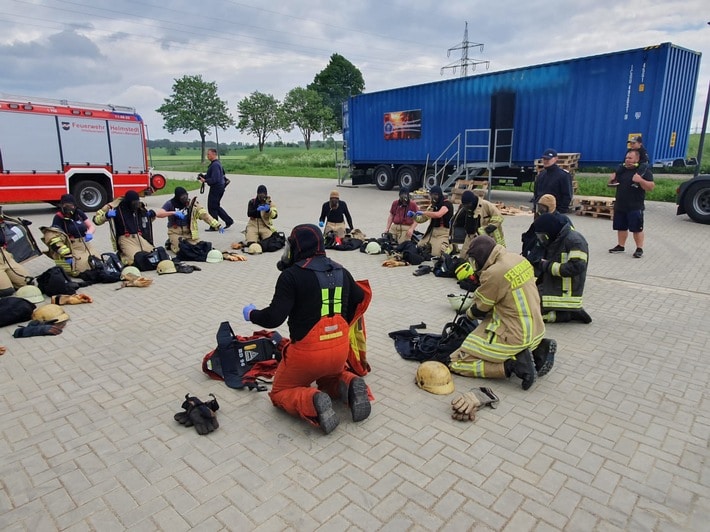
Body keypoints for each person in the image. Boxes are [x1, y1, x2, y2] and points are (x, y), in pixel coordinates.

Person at [242, 224, 372, 434]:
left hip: (306, 355)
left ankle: (312, 400)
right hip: (339, 351)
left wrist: (252, 314)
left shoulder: (291, 276)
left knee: (279, 392)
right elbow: (359, 299)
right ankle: (349, 383)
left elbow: (274, 317)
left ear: (298, 246)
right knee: (329, 379)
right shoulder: (342, 270)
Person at [448, 235, 556, 389]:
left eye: (473, 262)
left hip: (515, 335)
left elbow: (479, 309)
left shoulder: (494, 273)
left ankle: (512, 365)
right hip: (536, 329)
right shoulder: (518, 259)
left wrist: (467, 315)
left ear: (481, 258)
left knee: (457, 361)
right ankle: (537, 350)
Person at [532, 213, 591, 324]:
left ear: (551, 229)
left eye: (543, 235)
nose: (542, 239)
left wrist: (547, 266)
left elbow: (576, 266)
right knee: (527, 305)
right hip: (553, 287)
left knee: (532, 315)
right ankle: (568, 313)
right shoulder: (558, 238)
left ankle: (568, 314)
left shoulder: (575, 241)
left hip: (564, 295)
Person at [608, 149, 655, 258]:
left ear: (637, 159)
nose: (627, 160)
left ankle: (639, 248)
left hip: (635, 206)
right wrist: (611, 180)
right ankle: (621, 246)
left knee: (637, 228)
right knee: (621, 227)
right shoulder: (622, 170)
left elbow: (651, 187)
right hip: (621, 204)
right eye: (626, 158)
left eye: (630, 158)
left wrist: (640, 180)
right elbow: (612, 185)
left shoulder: (643, 171)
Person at [40, 194, 98, 275]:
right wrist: (65, 253)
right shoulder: (59, 217)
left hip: (85, 244)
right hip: (72, 245)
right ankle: (66, 265)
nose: (68, 208)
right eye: (65, 205)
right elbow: (53, 235)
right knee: (81, 270)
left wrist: (89, 233)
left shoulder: (79, 213)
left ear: (74, 205)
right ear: (61, 205)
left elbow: (91, 226)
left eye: (71, 205)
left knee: (97, 263)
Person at [94, 190, 156, 265]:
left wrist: (151, 216)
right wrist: (106, 215)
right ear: (128, 202)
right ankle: (122, 256)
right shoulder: (114, 207)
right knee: (135, 260)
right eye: (134, 203)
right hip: (125, 238)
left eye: (137, 202)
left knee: (154, 256)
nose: (136, 205)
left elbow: (145, 223)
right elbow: (96, 220)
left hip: (139, 237)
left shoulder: (139, 208)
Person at [156, 187, 222, 253]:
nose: (185, 198)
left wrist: (217, 225)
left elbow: (204, 214)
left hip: (188, 233)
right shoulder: (170, 204)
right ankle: (171, 244)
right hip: (175, 232)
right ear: (177, 197)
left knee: (198, 248)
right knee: (181, 250)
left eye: (186, 195)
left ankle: (178, 241)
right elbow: (159, 214)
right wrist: (173, 212)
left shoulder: (192, 204)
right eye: (182, 197)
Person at [521, 194, 572, 265]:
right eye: (539, 207)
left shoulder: (561, 221)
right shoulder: (540, 220)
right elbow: (530, 236)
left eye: (543, 208)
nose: (540, 211)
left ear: (550, 208)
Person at [450, 190, 505, 254]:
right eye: (465, 205)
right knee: (464, 256)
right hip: (471, 236)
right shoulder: (464, 208)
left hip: (489, 237)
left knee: (491, 255)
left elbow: (499, 216)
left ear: (472, 202)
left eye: (468, 205)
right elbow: (455, 221)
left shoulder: (485, 205)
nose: (467, 207)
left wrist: (490, 227)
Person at [198, 148, 233, 230]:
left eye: (209, 154)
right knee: (215, 206)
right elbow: (213, 176)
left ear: (214, 154)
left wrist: (205, 180)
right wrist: (203, 176)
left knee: (212, 207)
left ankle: (214, 226)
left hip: (217, 188)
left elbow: (215, 179)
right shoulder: (215, 164)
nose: (207, 156)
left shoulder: (215, 165)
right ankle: (228, 221)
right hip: (218, 187)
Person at [414, 185, 452, 257]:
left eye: (436, 195)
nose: (434, 197)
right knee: (419, 247)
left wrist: (424, 212)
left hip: (442, 232)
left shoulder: (447, 204)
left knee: (437, 254)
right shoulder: (432, 206)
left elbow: (438, 214)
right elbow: (422, 219)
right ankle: (432, 246)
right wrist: (414, 216)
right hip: (432, 231)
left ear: (440, 194)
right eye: (432, 195)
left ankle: (451, 246)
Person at [532, 149, 573, 215]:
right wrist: (535, 207)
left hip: (555, 212)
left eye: (548, 159)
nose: (546, 161)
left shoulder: (563, 175)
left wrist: (560, 212)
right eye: (544, 159)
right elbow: (536, 193)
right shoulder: (541, 175)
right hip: (540, 211)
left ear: (556, 159)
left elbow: (567, 196)